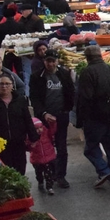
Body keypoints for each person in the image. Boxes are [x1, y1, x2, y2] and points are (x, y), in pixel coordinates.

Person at [76, 45, 110, 187]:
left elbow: (84, 99)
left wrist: (80, 120)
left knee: (90, 148)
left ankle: (103, 170)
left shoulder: (87, 72)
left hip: (95, 118)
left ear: (87, 58)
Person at [30, 49, 75, 189]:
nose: (50, 64)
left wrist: (67, 109)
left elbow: (71, 92)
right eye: (48, 61)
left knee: (61, 147)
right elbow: (34, 98)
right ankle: (49, 173)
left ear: (57, 61)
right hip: (44, 118)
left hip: (61, 116)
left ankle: (61, 176)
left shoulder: (64, 74)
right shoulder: (36, 77)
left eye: (53, 61)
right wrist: (43, 113)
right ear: (44, 61)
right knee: (46, 146)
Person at [0, 74, 38, 176]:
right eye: (1, 84)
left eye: (7, 84)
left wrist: (33, 137)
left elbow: (27, 119)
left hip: (18, 141)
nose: (4, 86)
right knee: (3, 169)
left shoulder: (20, 100)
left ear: (12, 86)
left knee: (20, 168)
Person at [28, 117, 57, 194]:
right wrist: (31, 146)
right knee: (38, 173)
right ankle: (40, 181)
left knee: (48, 173)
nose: (39, 130)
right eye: (36, 129)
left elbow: (52, 131)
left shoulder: (46, 132)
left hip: (48, 157)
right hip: (37, 159)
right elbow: (27, 147)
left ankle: (49, 187)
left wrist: (53, 123)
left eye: (40, 127)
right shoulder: (31, 137)